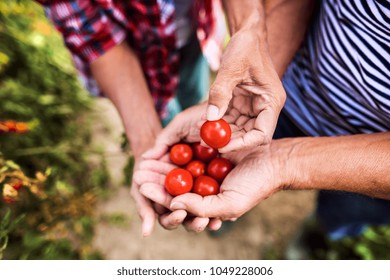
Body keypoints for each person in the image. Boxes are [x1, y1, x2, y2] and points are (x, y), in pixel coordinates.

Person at [133, 0, 390, 256]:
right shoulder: (254, 112)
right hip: (283, 95)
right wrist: (260, 65)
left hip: (373, 161)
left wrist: (281, 163)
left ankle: (321, 232)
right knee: (240, 163)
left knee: (349, 207)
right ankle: (235, 201)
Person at [35, 0, 227, 236]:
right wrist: (145, 136)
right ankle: (209, 197)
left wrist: (249, 30)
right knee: (168, 124)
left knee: (195, 98)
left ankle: (220, 200)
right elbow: (91, 33)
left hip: (196, 30)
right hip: (138, 54)